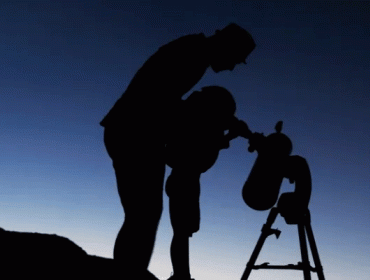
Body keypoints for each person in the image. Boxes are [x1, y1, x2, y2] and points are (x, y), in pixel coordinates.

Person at [100, 23, 255, 279]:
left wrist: (219, 122)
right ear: (227, 46)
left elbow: (178, 106)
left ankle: (128, 272)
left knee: (142, 216)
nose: (231, 67)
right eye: (236, 59)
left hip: (133, 133)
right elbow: (163, 102)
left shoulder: (194, 53)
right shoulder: (192, 55)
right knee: (143, 217)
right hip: (134, 133)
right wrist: (219, 122)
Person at [165, 86, 250, 280]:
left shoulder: (203, 121)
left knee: (183, 232)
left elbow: (210, 141)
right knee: (181, 232)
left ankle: (182, 275)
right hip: (183, 180)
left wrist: (232, 133)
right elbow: (202, 145)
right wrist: (231, 135)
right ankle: (181, 276)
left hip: (188, 180)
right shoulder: (196, 122)